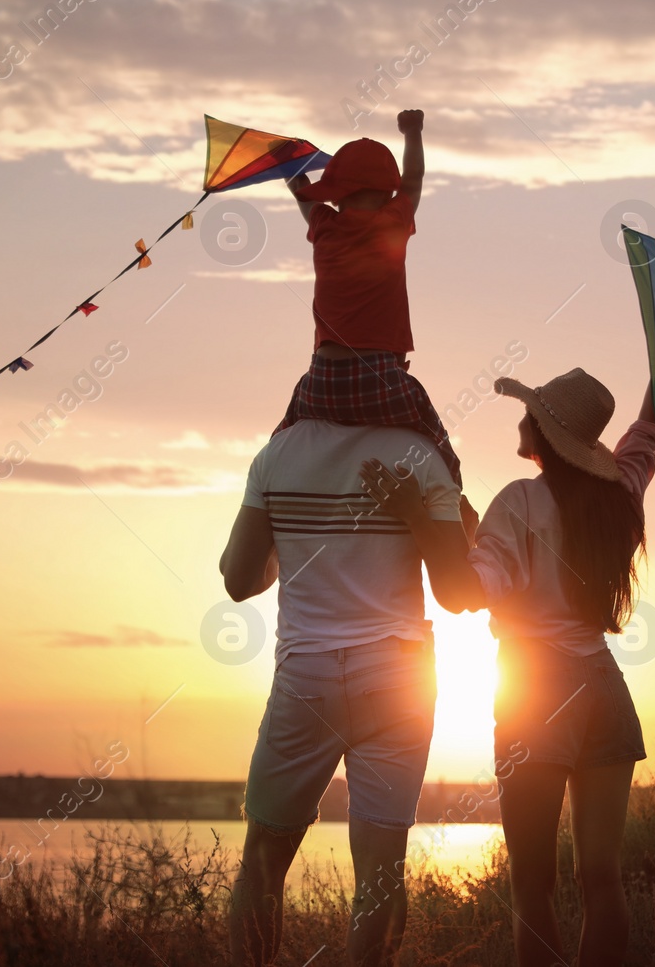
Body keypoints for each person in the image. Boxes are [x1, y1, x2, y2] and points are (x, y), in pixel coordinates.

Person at [359, 367, 655, 967]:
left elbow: (462, 593)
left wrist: (418, 516)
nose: (523, 418)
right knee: (602, 877)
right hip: (604, 688)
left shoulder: (518, 501)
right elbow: (648, 431)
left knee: (531, 884)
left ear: (545, 432)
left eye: (533, 412)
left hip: (536, 693)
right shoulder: (619, 495)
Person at [221, 407, 467, 966]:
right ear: (397, 358)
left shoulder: (277, 454)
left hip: (307, 676)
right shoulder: (422, 453)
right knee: (382, 873)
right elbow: (456, 593)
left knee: (263, 859)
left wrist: (289, 543)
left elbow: (238, 581)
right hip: (399, 678)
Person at [273, 108, 466, 494]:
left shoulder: (324, 226)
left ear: (337, 193)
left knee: (279, 443)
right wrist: (413, 131)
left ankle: (268, 500)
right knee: (444, 453)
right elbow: (414, 179)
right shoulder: (392, 221)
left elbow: (300, 189)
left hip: (321, 381)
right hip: (381, 379)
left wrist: (283, 161)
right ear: (385, 193)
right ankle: (459, 510)